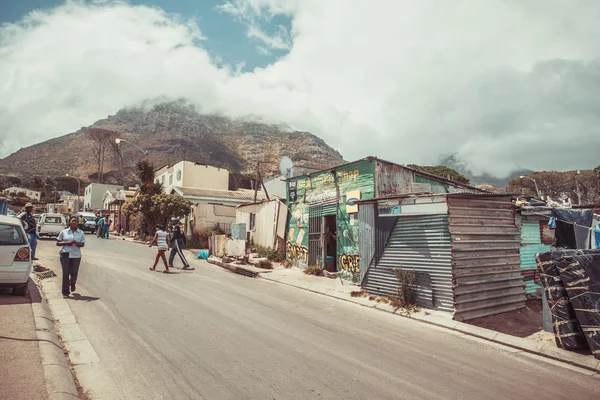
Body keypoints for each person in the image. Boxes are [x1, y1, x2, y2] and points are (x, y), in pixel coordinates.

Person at [56, 217, 86, 298]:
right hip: (65, 254)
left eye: (76, 221)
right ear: (69, 222)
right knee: (65, 273)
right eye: (72, 221)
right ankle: (65, 292)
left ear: (77, 223)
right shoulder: (64, 232)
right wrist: (67, 243)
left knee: (74, 272)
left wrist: (76, 243)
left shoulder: (80, 233)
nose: (74, 222)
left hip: (76, 255)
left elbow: (82, 244)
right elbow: (58, 243)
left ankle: (72, 283)